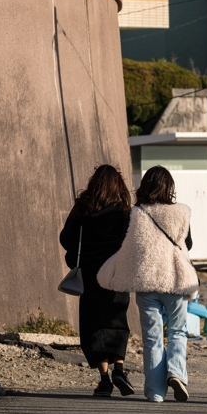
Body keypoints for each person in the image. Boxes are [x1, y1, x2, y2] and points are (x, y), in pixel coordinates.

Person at [98, 166, 199, 403]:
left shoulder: (135, 213)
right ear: (169, 188)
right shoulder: (182, 212)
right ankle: (176, 374)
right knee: (177, 331)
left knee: (152, 338)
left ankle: (155, 392)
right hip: (175, 281)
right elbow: (189, 243)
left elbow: (127, 247)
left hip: (146, 283)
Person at [59, 165, 135, 398]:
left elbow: (65, 238)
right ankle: (119, 369)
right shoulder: (124, 211)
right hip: (116, 272)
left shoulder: (83, 208)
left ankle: (104, 381)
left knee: (93, 324)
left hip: (90, 273)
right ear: (118, 185)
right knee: (116, 320)